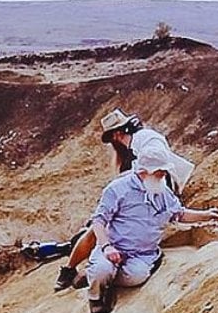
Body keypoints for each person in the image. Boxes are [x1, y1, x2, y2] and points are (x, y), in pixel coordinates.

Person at [54, 108, 197, 291]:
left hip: (156, 201)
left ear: (117, 134)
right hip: (153, 198)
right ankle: (84, 271)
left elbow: (156, 169)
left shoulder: (146, 142)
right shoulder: (139, 145)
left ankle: (71, 270)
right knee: (100, 227)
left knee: (94, 230)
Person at [85, 137, 218, 313]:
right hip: (114, 247)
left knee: (137, 276)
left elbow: (178, 214)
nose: (163, 175)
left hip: (142, 254)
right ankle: (95, 293)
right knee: (101, 270)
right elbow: (99, 221)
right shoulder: (117, 189)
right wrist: (107, 247)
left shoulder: (162, 191)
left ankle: (104, 277)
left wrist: (206, 215)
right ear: (144, 172)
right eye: (160, 172)